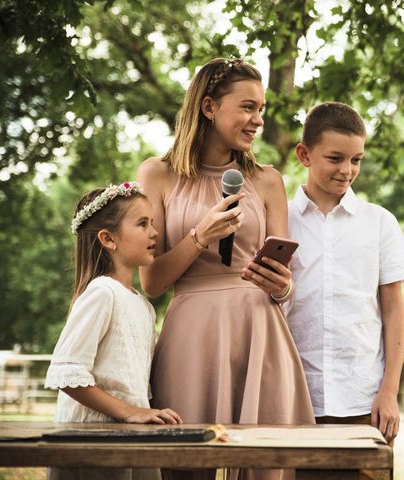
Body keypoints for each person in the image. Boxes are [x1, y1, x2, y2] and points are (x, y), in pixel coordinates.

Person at [137, 58, 314, 480]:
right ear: (209, 107)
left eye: (262, 109)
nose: (258, 120)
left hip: (260, 329)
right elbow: (152, 283)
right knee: (184, 464)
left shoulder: (268, 180)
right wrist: (198, 236)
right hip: (191, 333)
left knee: (265, 464)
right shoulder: (156, 175)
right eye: (248, 107)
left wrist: (282, 286)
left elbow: (284, 279)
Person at [284, 102, 404, 446]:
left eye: (356, 159)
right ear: (304, 154)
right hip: (294, 397)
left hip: (364, 400)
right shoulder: (280, 220)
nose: (347, 170)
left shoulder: (379, 222)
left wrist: (389, 392)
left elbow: (394, 310)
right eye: (335, 158)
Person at [45, 181, 182, 480]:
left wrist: (140, 413)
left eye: (153, 224)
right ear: (108, 238)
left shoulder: (143, 306)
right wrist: (129, 412)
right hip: (93, 442)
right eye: (142, 224)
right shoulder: (101, 293)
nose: (155, 233)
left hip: (132, 438)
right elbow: (67, 373)